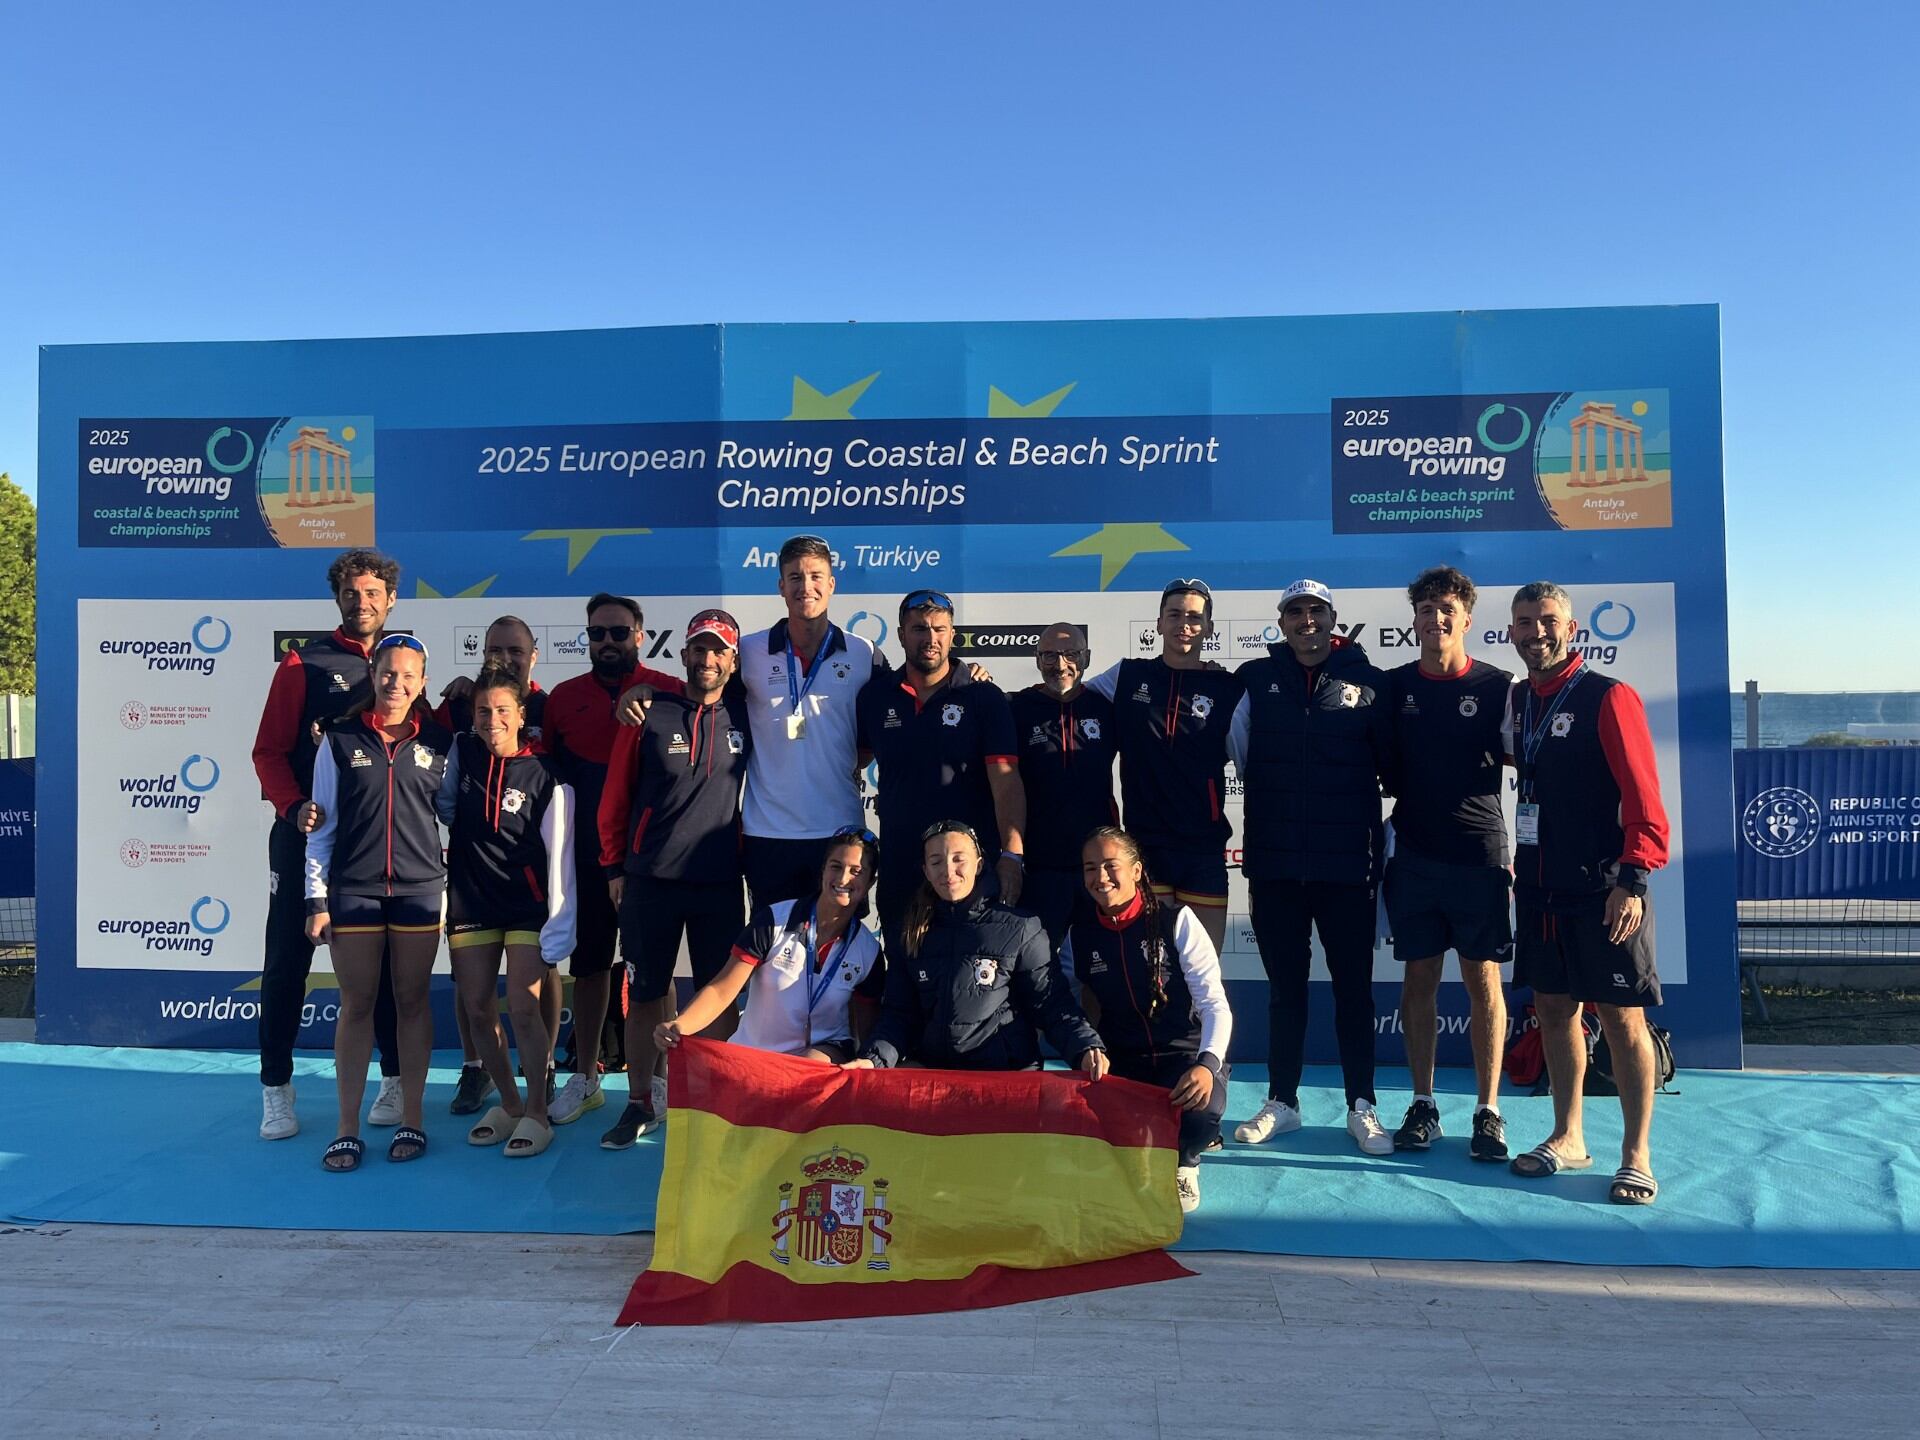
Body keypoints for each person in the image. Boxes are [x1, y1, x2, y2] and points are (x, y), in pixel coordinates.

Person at [1502, 582, 1670, 1205]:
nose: (1536, 632)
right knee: (1552, 1012)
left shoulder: (1608, 696)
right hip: (1541, 886)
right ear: (1511, 632)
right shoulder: (1518, 700)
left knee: (1625, 1021)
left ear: (1570, 629)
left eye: (1547, 621)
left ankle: (1636, 1155)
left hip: (1605, 888)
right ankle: (1568, 1135)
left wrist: (1634, 879)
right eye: (1524, 622)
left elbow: (1644, 799)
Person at [1228, 579, 1394, 1156]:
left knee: (1355, 991)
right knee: (1285, 991)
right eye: (1295, 612)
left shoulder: (1370, 683)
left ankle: (1362, 1105)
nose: (1306, 621)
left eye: (1315, 611)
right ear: (1281, 622)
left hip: (1347, 866)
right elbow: (1243, 757)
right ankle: (1283, 1101)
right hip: (1275, 865)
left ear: (1332, 619)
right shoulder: (1254, 679)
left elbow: (1391, 767)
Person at [250, 547, 403, 1142]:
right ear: (337, 599)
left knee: (384, 966)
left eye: (372, 593)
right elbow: (267, 751)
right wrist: (293, 807)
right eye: (350, 593)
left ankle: (393, 1080)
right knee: (288, 962)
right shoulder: (302, 663)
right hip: (304, 839)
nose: (361, 603)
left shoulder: (402, 661)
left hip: (372, 844)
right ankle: (276, 1090)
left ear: (390, 599)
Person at [596, 610, 752, 1148]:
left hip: (718, 884)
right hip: (649, 881)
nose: (707, 660)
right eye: (698, 649)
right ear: (682, 654)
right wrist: (615, 865)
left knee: (718, 999)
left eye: (719, 651)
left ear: (733, 662)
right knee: (645, 995)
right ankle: (640, 1101)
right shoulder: (647, 715)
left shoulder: (746, 716)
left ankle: (716, 1106)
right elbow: (615, 795)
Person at [1381, 568, 1516, 1161]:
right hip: (1412, 855)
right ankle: (1424, 1104)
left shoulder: (1501, 687)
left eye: (1447, 609)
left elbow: (1538, 766)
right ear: (1413, 620)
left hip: (1479, 856)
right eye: (1426, 608)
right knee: (1418, 981)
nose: (1436, 619)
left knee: (1483, 980)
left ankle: (1488, 1111)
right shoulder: (1391, 688)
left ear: (1466, 619)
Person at [301, 635, 450, 1171]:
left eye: (409, 676)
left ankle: (413, 1119)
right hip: (354, 891)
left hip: (419, 891)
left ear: (422, 683)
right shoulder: (339, 740)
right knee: (357, 1006)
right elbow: (321, 829)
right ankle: (346, 1126)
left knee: (412, 1004)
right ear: (373, 673)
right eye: (389, 673)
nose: (397, 684)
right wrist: (315, 899)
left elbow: (459, 816)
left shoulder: (441, 741)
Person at [543, 593, 683, 1122]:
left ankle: (661, 1081)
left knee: (656, 972)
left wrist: (647, 688)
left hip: (650, 859)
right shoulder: (563, 698)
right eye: (597, 633)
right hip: (586, 859)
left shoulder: (670, 690)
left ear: (640, 637)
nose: (607, 642)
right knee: (591, 966)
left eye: (618, 633)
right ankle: (586, 1074)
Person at [435, 666, 575, 1158]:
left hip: (526, 906)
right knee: (475, 1008)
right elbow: (445, 808)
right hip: (472, 900)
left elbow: (560, 857)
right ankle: (511, 1104)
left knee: (521, 1004)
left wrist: (562, 923)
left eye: (501, 711)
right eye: (482, 711)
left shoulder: (546, 773)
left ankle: (538, 1110)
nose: (491, 720)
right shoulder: (463, 751)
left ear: (520, 716)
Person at [1062, 827, 1232, 1213]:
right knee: (1079, 1120)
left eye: (1110, 865)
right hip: (1124, 1061)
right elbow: (1062, 1003)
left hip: (1182, 1057)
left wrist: (1207, 1065)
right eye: (1091, 868)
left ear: (1137, 871)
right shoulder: (1079, 936)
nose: (1100, 877)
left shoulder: (1178, 921)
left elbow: (1215, 1005)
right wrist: (1085, 1046)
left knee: (1201, 1112)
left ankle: (1186, 1163)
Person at [848, 821, 1105, 1075]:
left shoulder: (1020, 928)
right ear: (926, 871)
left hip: (1004, 1078)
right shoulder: (910, 933)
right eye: (937, 862)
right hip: (939, 1076)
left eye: (959, 859)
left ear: (979, 865)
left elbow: (1053, 1006)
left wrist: (1085, 1049)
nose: (948, 871)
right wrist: (873, 1060)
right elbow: (899, 1015)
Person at [855, 590, 1025, 960]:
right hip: (901, 864)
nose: (929, 638)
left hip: (968, 868)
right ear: (901, 635)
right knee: (903, 976)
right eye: (918, 629)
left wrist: (1012, 855)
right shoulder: (874, 697)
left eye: (939, 629)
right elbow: (852, 761)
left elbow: (1006, 783)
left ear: (952, 635)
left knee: (972, 980)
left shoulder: (984, 697)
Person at [1083, 579, 1244, 956]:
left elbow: (1250, 767)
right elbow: (1069, 697)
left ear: (1208, 628)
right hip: (1143, 848)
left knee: (1203, 970)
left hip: (1202, 850)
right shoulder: (1126, 676)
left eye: (1194, 617)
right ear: (1157, 624)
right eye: (1174, 615)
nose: (1183, 624)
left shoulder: (1229, 689)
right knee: (1147, 969)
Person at [732, 534, 883, 907]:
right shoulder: (747, 651)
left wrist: (966, 675)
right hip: (768, 832)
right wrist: (647, 692)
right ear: (781, 586)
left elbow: (904, 705)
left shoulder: (865, 654)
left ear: (831, 584)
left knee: (838, 948)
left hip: (840, 831)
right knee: (770, 950)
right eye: (795, 577)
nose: (806, 587)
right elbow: (700, 691)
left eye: (816, 576)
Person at [654, 826, 885, 1064]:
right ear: (823, 870)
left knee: (807, 1065)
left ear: (870, 882)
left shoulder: (868, 950)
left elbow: (867, 1029)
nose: (843, 878)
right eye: (836, 866)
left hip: (821, 1057)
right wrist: (680, 1025)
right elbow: (722, 990)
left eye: (856, 871)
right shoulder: (774, 921)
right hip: (754, 1057)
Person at [1008, 622, 1117, 947]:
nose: (1061, 664)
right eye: (1050, 655)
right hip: (1040, 867)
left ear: (1086, 658)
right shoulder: (1015, 708)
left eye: (1071, 654)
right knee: (1038, 969)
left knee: (1100, 970)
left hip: (1097, 867)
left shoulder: (1107, 709)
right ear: (1037, 658)